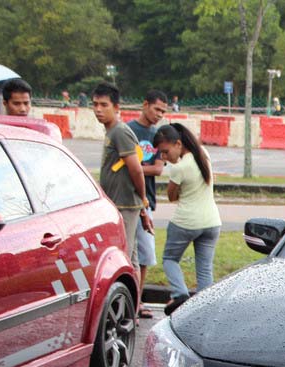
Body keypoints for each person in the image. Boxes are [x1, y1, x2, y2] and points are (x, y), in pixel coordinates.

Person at [152, 124, 222, 315]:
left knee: (169, 259)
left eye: (166, 152)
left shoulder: (179, 168)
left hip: (185, 222)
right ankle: (205, 308)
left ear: (178, 143)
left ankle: (180, 294)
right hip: (212, 221)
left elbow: (172, 197)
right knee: (205, 268)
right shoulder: (203, 154)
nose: (165, 157)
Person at [93, 82, 150, 281]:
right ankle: (133, 306)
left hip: (125, 204)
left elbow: (136, 169)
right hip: (116, 204)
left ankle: (130, 305)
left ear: (116, 107)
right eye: (95, 104)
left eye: (104, 105)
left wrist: (143, 201)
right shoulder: (111, 131)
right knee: (129, 257)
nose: (98, 110)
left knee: (123, 257)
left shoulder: (120, 132)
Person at [127, 90, 169, 318]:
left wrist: (133, 168)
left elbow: (158, 169)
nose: (159, 115)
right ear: (145, 105)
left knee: (144, 255)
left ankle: (138, 302)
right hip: (126, 201)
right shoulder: (129, 130)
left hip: (147, 202)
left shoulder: (157, 134)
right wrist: (140, 169)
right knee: (126, 253)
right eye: (156, 109)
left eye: (163, 111)